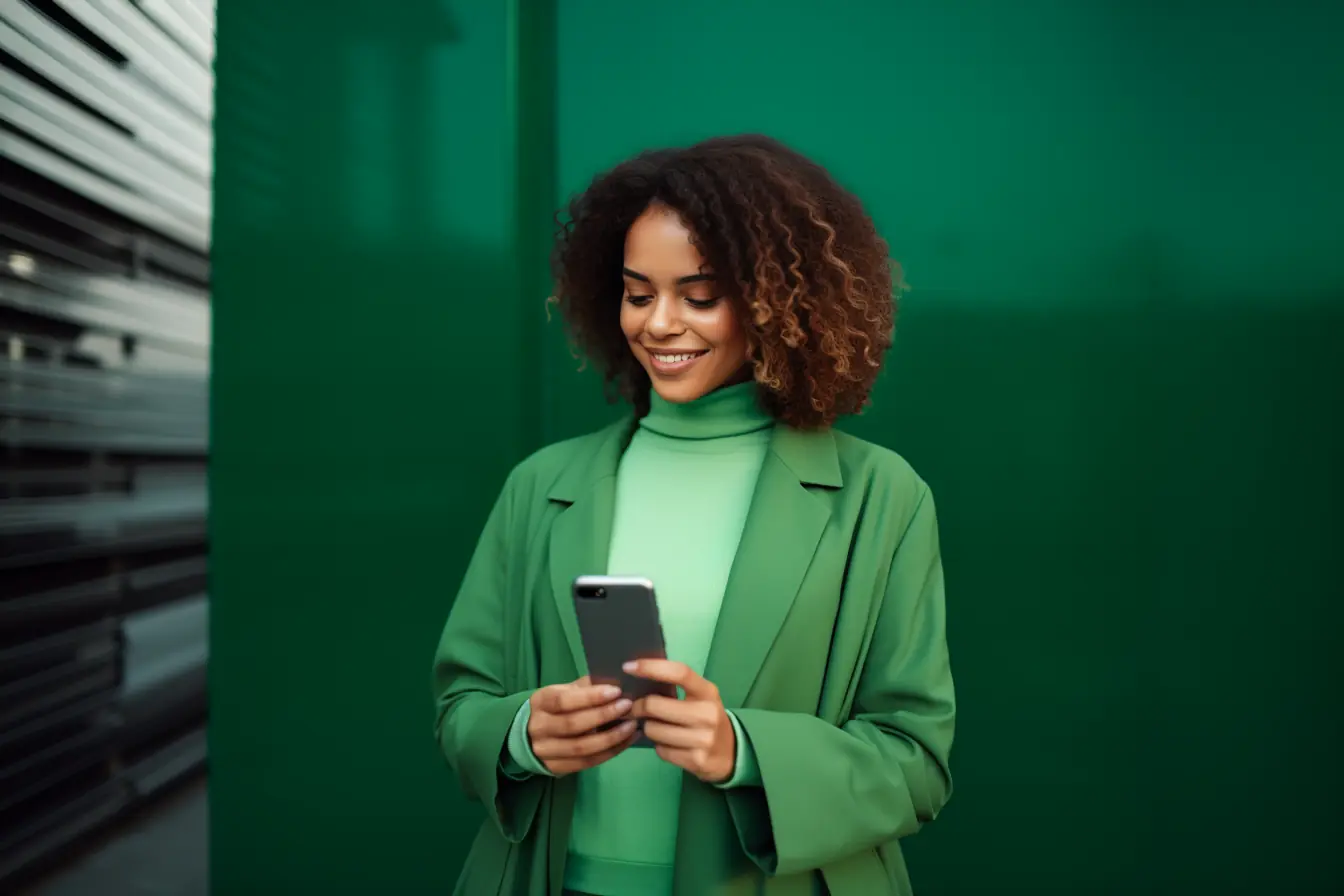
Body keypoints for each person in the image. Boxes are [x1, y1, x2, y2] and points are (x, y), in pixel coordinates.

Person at [432, 134, 955, 896]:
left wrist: (742, 750)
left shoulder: (881, 495)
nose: (659, 324)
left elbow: (918, 763)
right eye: (638, 293)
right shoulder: (541, 483)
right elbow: (460, 706)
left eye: (700, 296)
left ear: (780, 301)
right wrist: (522, 734)